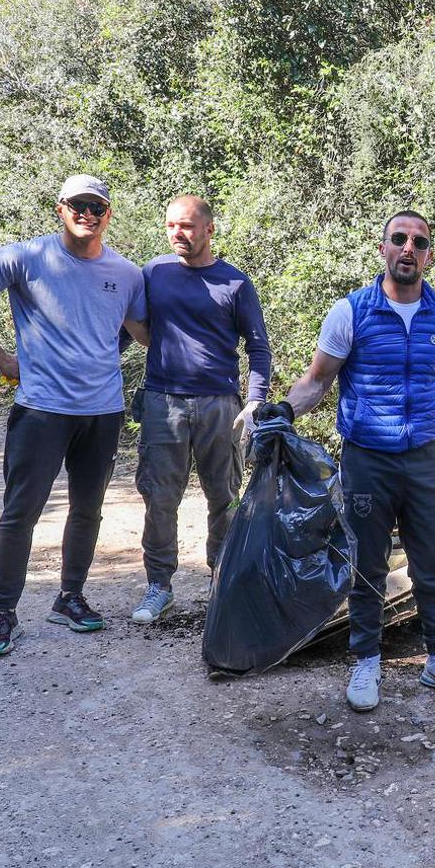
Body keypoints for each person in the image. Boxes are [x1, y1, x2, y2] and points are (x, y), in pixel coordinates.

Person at [266, 210, 435, 712]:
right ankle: (366, 661)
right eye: (399, 239)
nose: (408, 248)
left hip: (425, 457)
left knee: (434, 561)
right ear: (383, 249)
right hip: (367, 458)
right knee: (369, 565)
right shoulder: (351, 312)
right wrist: (285, 409)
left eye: (419, 241)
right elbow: (317, 380)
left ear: (429, 255)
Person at [0, 174, 149, 658]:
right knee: (20, 514)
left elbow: (141, 333)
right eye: (79, 204)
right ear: (60, 208)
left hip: (103, 411)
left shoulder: (127, 273)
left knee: (88, 509)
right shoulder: (25, 257)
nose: (88, 214)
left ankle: (70, 597)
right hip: (41, 410)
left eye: (97, 206)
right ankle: (2, 614)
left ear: (108, 214)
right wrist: (1, 360)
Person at [128, 194, 272, 623]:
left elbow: (259, 347)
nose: (178, 234)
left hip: (219, 405)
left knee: (224, 497)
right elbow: (133, 323)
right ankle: (159, 586)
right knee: (159, 497)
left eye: (187, 226)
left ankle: (221, 583)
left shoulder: (235, 283)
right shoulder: (153, 273)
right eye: (171, 225)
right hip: (161, 401)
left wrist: (254, 400)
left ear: (209, 229)